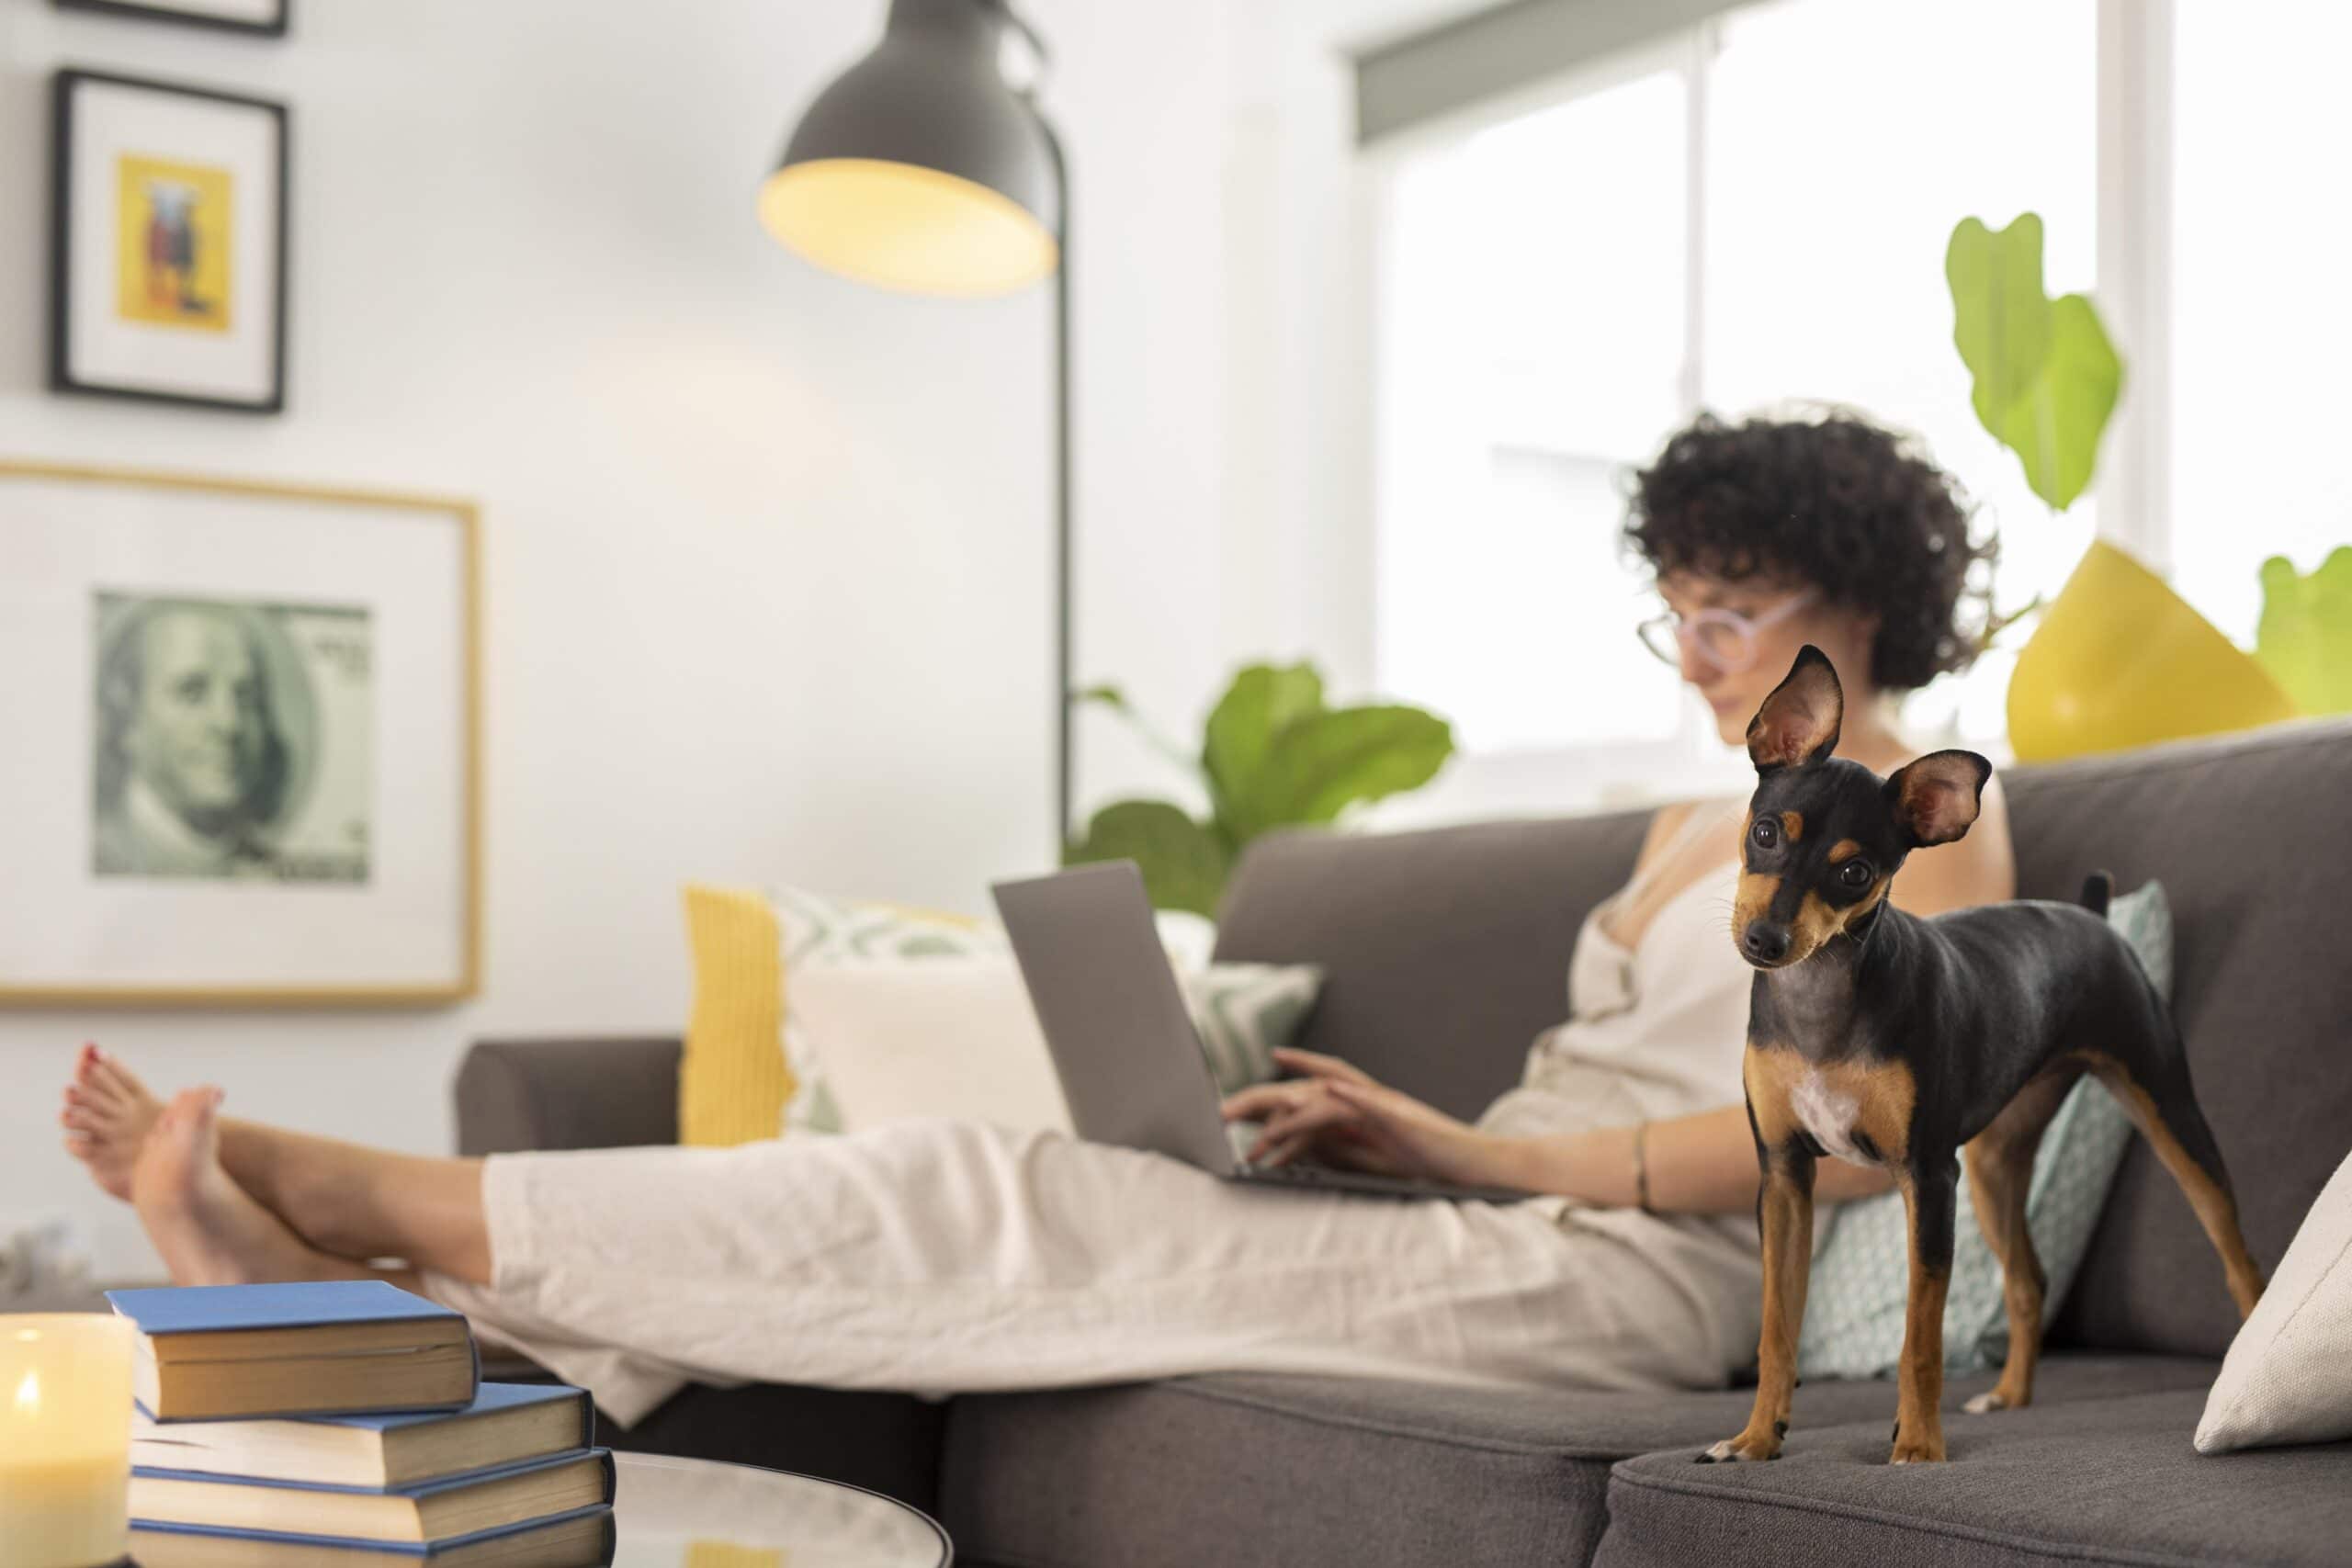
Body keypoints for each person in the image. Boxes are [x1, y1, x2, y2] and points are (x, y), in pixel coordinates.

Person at [59, 410, 2017, 1427]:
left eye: (1726, 610)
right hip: (1495, 1207)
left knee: (1002, 1197)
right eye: (1668, 608)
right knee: (1041, 1182)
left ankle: (384, 1207)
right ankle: (347, 1344)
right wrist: (1410, 1149)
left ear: (1852, 603)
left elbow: (1851, 1143)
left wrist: (1464, 1151)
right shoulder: (1700, 811)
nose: (1688, 651)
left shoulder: (1925, 827)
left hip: (1631, 1283)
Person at [93, 599, 291, 879]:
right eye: (192, 692)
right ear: (127, 719)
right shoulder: (99, 856)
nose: (230, 723)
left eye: (246, 696)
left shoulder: (269, 869)